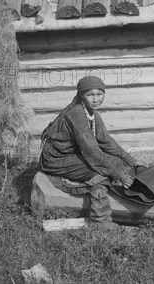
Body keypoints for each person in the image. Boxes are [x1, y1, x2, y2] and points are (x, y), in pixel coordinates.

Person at [40, 76, 138, 229]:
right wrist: (118, 174)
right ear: (81, 95)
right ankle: (100, 220)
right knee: (98, 175)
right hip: (57, 158)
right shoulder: (76, 114)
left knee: (118, 162)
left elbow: (106, 142)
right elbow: (91, 152)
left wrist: (130, 160)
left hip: (73, 154)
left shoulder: (93, 115)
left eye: (99, 94)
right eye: (90, 95)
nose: (96, 99)